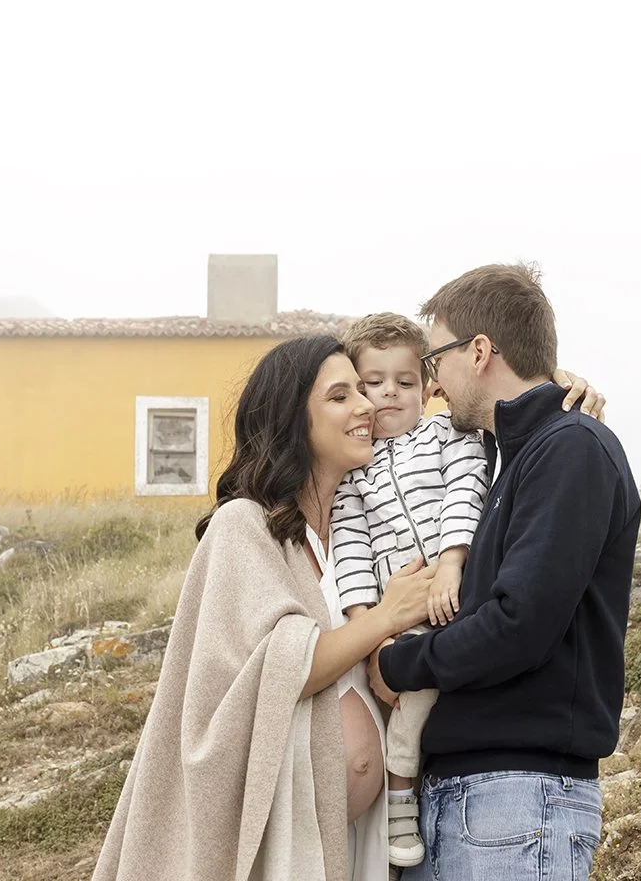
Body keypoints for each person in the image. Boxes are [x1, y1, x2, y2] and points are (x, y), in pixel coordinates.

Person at [93, 335, 435, 881]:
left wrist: (553, 390)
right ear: (293, 418)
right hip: (282, 843)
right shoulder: (244, 526)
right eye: (340, 396)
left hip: (359, 844)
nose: (367, 406)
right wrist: (386, 619)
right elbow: (281, 668)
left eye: (362, 391)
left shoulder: (358, 532)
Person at [369, 264, 641, 881]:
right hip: (476, 801)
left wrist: (394, 664)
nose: (432, 382)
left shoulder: (570, 447)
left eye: (435, 358)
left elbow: (520, 623)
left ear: (481, 351)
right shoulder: (513, 458)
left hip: (516, 800)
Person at [329, 312, 605, 871]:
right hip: (448, 783)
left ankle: (400, 790)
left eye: (412, 377)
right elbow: (352, 550)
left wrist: (557, 383)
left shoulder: (461, 436)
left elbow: (470, 485)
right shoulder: (352, 474)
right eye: (370, 384)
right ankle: (402, 791)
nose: (388, 394)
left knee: (416, 698)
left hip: (513, 788)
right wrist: (372, 628)